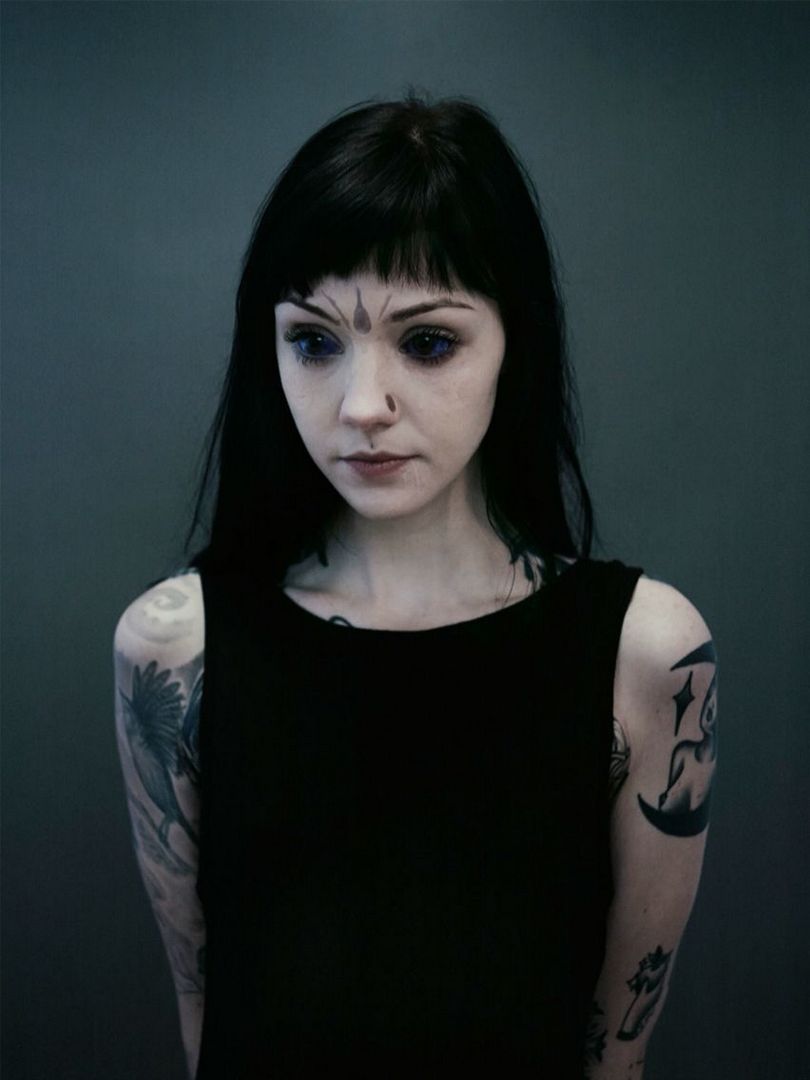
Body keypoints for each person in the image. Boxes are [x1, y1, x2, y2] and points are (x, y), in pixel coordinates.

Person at [112, 91, 719, 1080]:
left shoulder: (646, 653)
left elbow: (616, 1057)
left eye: (428, 341)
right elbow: (204, 1013)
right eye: (314, 340)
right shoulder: (174, 648)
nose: (362, 405)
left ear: (514, 342)